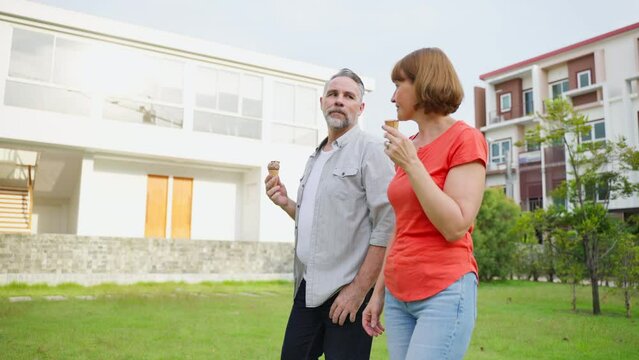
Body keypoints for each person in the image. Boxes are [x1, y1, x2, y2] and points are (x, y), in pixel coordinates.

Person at [362, 48, 487, 360]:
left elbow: (456, 225)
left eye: (398, 84)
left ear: (423, 84)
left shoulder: (464, 139)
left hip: (443, 290)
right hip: (398, 295)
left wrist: (412, 163)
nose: (392, 97)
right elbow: (400, 227)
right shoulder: (410, 146)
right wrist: (378, 293)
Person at [265, 68, 395, 359]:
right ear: (322, 102)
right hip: (308, 288)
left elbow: (387, 224)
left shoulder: (372, 150)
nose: (339, 100)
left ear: (360, 108)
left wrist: (359, 290)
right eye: (333, 95)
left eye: (348, 96)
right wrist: (287, 203)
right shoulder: (316, 157)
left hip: (348, 292)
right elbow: (320, 222)